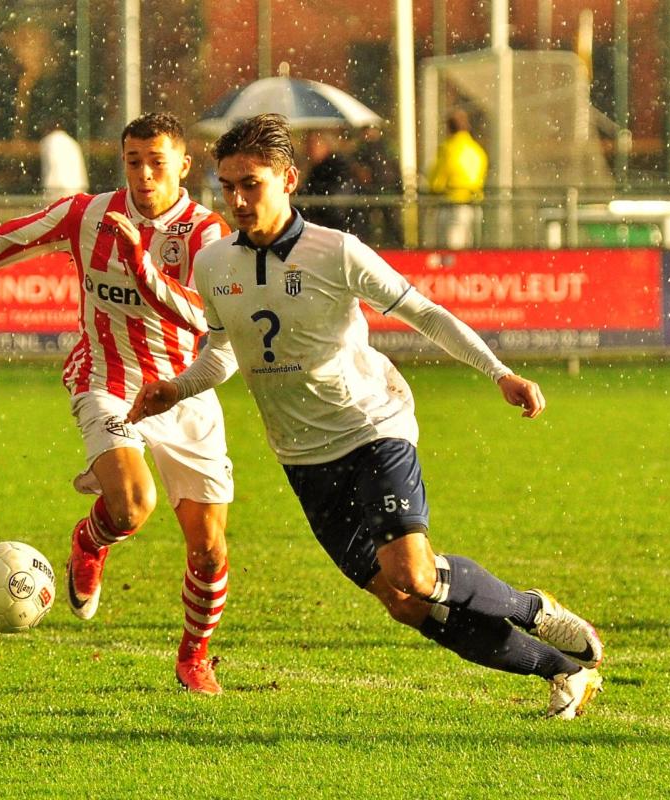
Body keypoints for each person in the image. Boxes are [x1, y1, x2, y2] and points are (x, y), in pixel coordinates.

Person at [126, 114, 604, 719]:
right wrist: (177, 388)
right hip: (300, 454)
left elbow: (426, 314)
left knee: (415, 572)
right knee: (404, 602)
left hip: (372, 428)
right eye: (228, 186)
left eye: (252, 184)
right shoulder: (215, 264)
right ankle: (560, 671)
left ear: (289, 179)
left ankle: (532, 610)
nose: (239, 200)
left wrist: (499, 373)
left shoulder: (337, 251)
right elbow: (221, 353)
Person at [0, 112, 237, 693]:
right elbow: (6, 240)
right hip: (107, 377)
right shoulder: (87, 214)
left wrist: (143, 269)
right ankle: (90, 541)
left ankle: (193, 657)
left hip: (183, 389)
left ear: (182, 165)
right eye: (133, 161)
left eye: (156, 162)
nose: (144, 175)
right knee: (129, 507)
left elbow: (202, 315)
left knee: (209, 550)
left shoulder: (206, 233)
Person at [428, 108, 487, 249]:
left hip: (451, 203)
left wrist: (434, 190)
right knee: (469, 246)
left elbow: (437, 180)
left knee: (451, 248)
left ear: (449, 128)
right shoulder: (477, 149)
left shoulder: (447, 149)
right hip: (473, 202)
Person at [351, 124, 402, 245]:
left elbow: (394, 167)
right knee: (368, 221)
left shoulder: (385, 147)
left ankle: (394, 244)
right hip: (374, 190)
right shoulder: (365, 148)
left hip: (386, 189)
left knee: (390, 222)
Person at [298, 130, 358, 233]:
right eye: (307, 145)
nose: (308, 150)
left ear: (324, 145)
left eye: (312, 145)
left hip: (336, 220)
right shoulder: (319, 167)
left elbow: (330, 192)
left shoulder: (335, 165)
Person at [39, 122, 89, 202]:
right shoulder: (72, 142)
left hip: (56, 186)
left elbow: (49, 166)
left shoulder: (48, 141)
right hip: (76, 186)